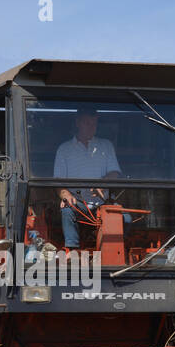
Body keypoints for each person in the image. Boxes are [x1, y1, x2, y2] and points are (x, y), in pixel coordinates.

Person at [53, 106, 122, 249]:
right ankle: (72, 252)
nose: (92, 127)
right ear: (78, 123)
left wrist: (102, 184)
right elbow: (58, 181)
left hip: (103, 203)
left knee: (125, 219)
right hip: (77, 204)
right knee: (66, 210)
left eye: (94, 124)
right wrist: (65, 194)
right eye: (87, 123)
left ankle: (111, 252)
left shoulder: (106, 146)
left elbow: (114, 173)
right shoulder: (64, 149)